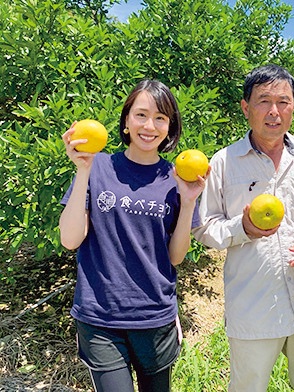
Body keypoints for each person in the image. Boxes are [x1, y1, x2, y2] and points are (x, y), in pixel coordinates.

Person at [192, 64, 294, 392]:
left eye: (283, 101)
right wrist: (242, 228)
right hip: (253, 305)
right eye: (263, 101)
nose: (274, 111)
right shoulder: (224, 163)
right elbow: (205, 227)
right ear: (246, 107)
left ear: (293, 106)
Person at [59, 79, 207, 392]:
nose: (149, 126)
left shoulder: (178, 177)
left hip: (154, 315)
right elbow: (70, 239)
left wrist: (189, 200)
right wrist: (82, 171)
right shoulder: (97, 165)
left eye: (160, 118)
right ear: (126, 120)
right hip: (100, 316)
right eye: (141, 115)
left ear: (170, 126)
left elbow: (176, 257)